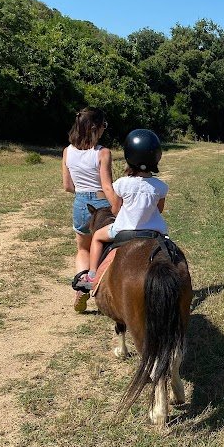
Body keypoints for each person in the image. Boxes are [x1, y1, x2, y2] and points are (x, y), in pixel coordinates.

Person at [74, 129, 168, 292]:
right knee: (169, 248)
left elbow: (116, 209)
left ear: (129, 157)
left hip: (124, 230)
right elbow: (159, 210)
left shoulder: (122, 184)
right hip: (154, 232)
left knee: (96, 237)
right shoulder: (161, 186)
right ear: (156, 158)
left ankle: (92, 275)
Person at [62, 107, 115, 313]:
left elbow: (67, 186)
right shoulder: (102, 153)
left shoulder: (67, 152)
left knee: (83, 249)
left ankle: (82, 285)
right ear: (95, 128)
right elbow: (107, 186)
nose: (104, 129)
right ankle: (107, 285)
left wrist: (84, 193)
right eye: (103, 126)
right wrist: (118, 207)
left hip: (80, 203)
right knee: (109, 246)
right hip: (101, 204)